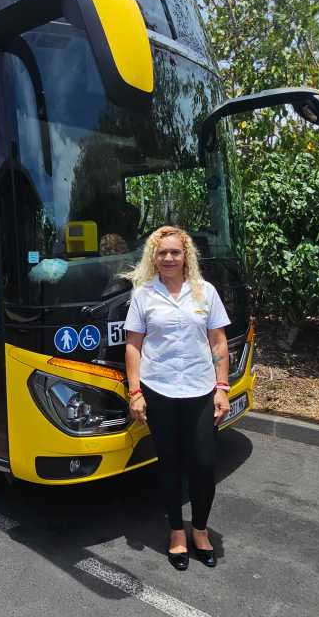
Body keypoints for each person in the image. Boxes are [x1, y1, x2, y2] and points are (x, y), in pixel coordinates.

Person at [123, 225, 231, 571]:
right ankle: (175, 533)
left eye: (175, 252)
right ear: (153, 258)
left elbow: (218, 343)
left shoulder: (205, 292)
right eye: (162, 253)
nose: (168, 258)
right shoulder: (143, 294)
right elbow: (133, 345)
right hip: (160, 391)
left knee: (203, 464)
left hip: (200, 390)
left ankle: (199, 530)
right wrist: (135, 391)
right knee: (169, 466)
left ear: (187, 256)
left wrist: (223, 387)